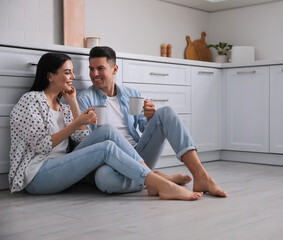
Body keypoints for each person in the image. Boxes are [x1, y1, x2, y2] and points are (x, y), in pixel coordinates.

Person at [9, 52, 204, 201]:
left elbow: (82, 139)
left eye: (72, 72)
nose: (72, 77)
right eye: (67, 72)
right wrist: (78, 122)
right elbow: (41, 146)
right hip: (36, 175)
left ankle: (154, 181)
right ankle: (159, 183)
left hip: (62, 166)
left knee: (107, 131)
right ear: (50, 76)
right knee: (106, 149)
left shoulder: (64, 106)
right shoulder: (31, 100)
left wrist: (74, 102)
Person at [77, 46, 227, 197]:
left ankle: (201, 176)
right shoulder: (85, 99)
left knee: (166, 112)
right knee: (104, 179)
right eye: (91, 69)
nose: (94, 74)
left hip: (138, 154)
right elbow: (88, 141)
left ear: (114, 69)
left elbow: (144, 128)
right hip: (111, 161)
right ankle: (157, 180)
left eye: (100, 68)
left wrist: (149, 117)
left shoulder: (131, 94)